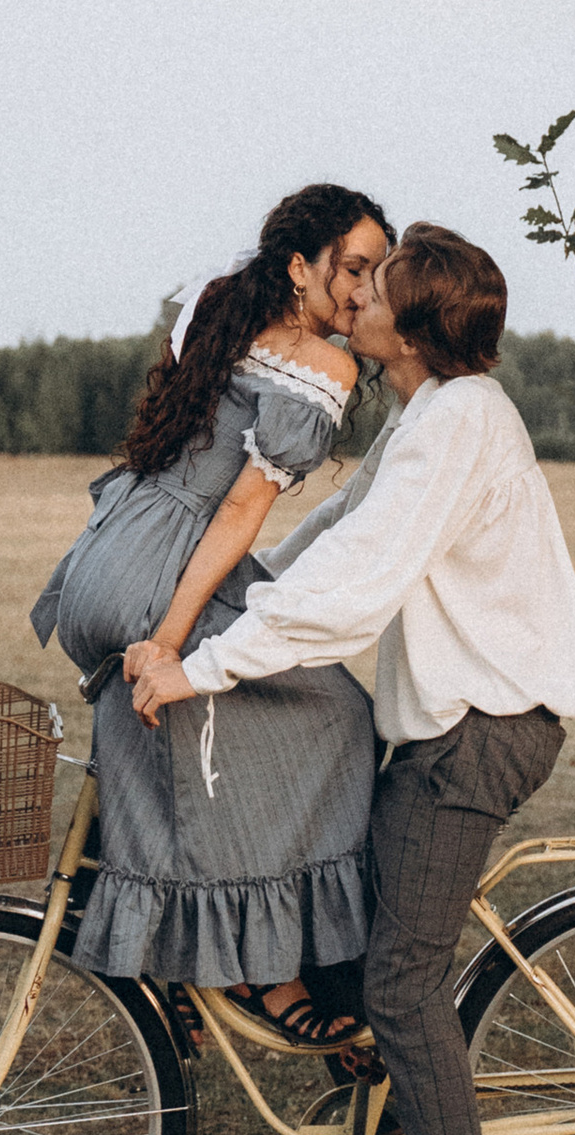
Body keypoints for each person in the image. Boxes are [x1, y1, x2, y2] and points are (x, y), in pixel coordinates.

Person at [132, 221, 575, 1135]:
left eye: (377, 287)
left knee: (399, 984)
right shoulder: (429, 415)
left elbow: (355, 588)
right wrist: (205, 613)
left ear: (416, 320)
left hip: (479, 733)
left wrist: (201, 666)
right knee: (348, 920)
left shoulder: (458, 424)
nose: (358, 299)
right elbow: (332, 537)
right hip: (452, 721)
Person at [29, 184, 389, 1043]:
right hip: (168, 570)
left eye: (376, 274)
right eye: (353, 268)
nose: (364, 292)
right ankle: (264, 972)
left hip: (108, 551)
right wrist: (170, 638)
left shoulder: (220, 307)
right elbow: (237, 512)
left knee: (183, 730)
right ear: (300, 265)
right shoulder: (323, 367)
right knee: (338, 716)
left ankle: (187, 959)